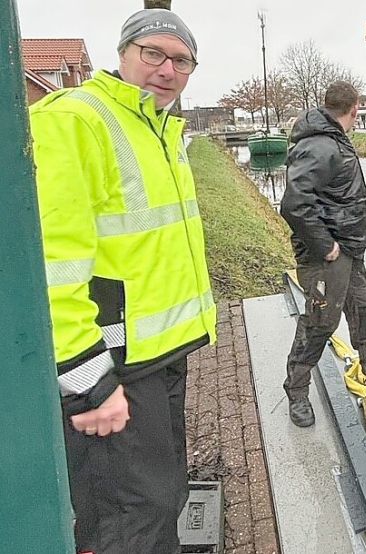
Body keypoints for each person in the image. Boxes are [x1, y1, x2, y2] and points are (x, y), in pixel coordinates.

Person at [29, 9, 215, 553]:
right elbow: (52, 258)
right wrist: (87, 379)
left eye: (181, 60)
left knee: (163, 497)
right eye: (152, 53)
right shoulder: (77, 119)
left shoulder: (159, 128)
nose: (167, 69)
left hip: (159, 354)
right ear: (123, 54)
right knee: (130, 515)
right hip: (114, 363)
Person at [280, 81, 366, 428]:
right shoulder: (322, 145)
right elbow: (294, 204)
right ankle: (296, 391)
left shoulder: (333, 139)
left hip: (348, 251)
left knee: (361, 308)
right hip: (328, 258)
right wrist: (327, 246)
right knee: (320, 321)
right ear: (354, 110)